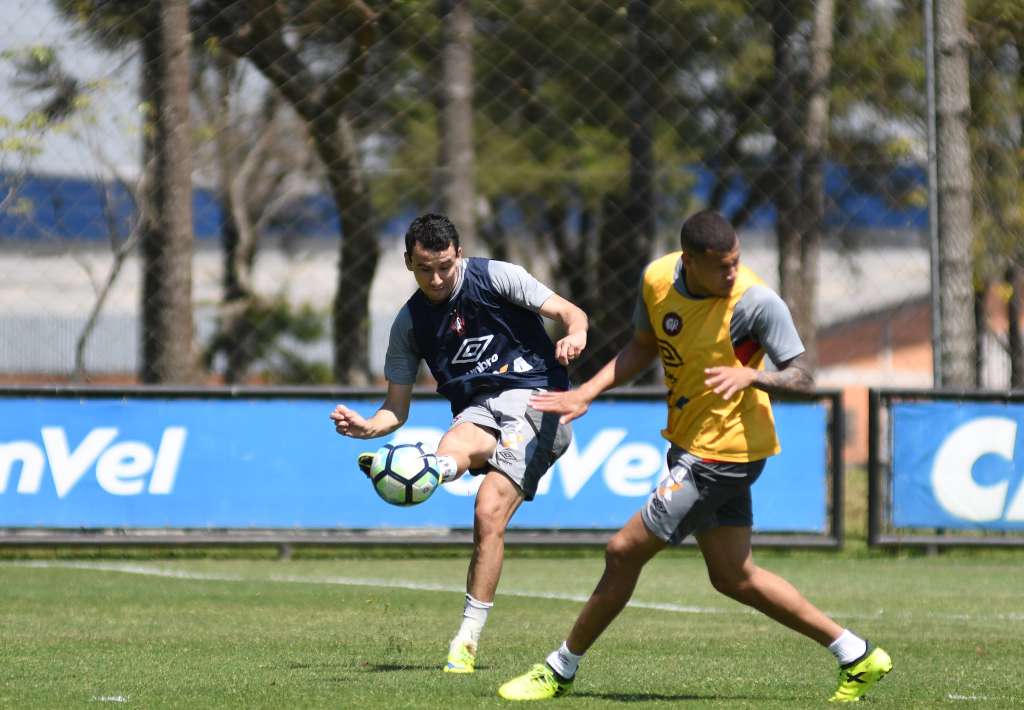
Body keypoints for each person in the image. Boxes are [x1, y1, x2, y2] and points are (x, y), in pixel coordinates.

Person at [497, 210, 891, 703]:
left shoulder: (756, 303)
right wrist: (588, 391)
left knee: (623, 551)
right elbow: (643, 346)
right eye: (722, 266)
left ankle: (559, 669)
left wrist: (753, 376)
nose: (732, 273)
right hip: (690, 442)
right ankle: (857, 655)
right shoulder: (659, 278)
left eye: (736, 261)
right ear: (690, 261)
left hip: (724, 451)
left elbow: (805, 378)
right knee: (733, 576)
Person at [330, 213, 588, 674]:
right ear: (408, 261)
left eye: (445, 266)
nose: (436, 278)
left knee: (487, 510)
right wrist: (369, 427)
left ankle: (465, 640)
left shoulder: (495, 277)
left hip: (538, 401)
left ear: (459, 256)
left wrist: (576, 334)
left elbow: (571, 312)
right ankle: (423, 469)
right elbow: (396, 409)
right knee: (450, 450)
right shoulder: (409, 324)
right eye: (424, 268)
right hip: (477, 412)